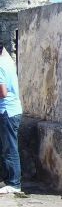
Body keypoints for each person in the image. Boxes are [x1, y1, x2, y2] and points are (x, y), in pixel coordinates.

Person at [0, 42, 23, 194]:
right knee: (7, 147)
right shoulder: (7, 62)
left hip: (7, 111)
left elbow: (3, 92)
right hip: (13, 110)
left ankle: (14, 184)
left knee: (9, 148)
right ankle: (8, 180)